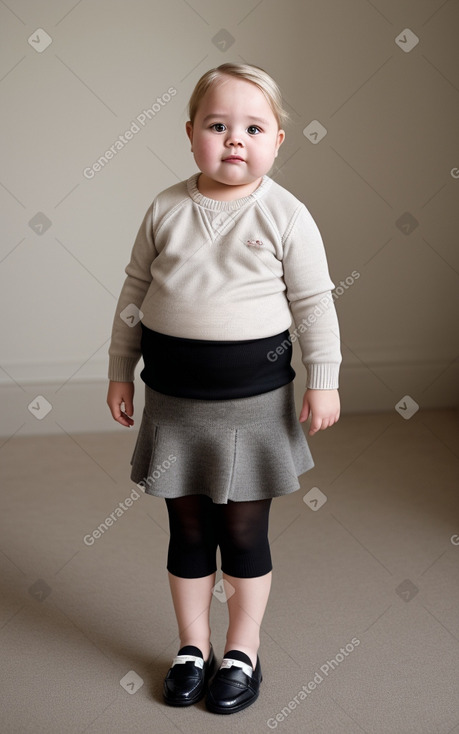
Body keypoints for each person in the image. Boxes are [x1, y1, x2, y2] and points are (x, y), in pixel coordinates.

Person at [106, 62, 341, 715]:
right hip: (174, 403)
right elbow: (133, 293)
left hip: (253, 406)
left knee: (241, 532)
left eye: (252, 127)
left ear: (276, 141)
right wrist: (119, 368)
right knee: (185, 530)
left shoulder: (285, 215)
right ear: (190, 135)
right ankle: (190, 646)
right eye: (217, 126)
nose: (234, 139)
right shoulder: (167, 208)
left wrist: (323, 381)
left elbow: (315, 305)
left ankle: (241, 649)